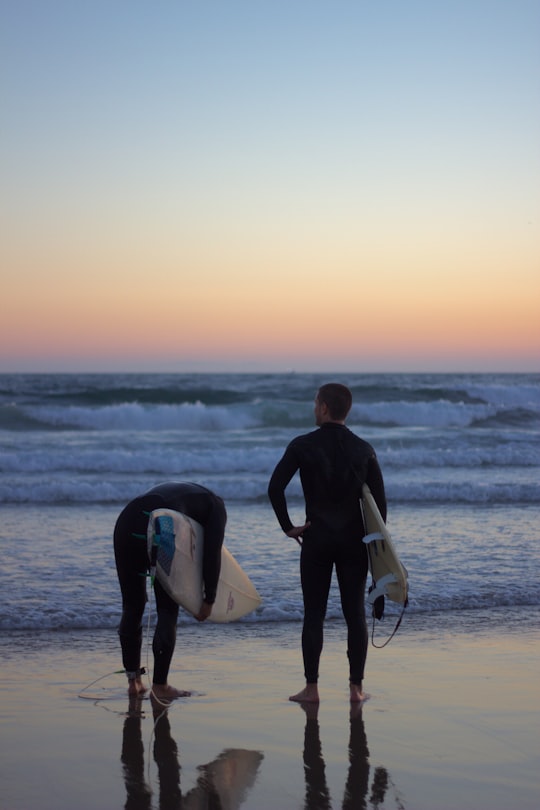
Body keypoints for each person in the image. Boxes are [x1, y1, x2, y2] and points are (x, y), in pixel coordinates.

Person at [268, 383, 387, 704]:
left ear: (323, 407)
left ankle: (311, 689)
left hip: (317, 539)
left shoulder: (302, 445)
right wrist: (378, 557)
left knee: (314, 614)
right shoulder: (364, 449)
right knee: (355, 615)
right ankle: (355, 689)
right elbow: (380, 509)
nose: (313, 408)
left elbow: (275, 488)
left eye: (315, 403)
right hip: (354, 541)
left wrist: (289, 528)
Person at [113, 481, 226, 700]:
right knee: (167, 610)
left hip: (127, 520)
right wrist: (209, 599)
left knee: (132, 605)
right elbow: (212, 552)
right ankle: (160, 685)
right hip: (163, 526)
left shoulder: (188, 494)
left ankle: (133, 682)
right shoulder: (216, 508)